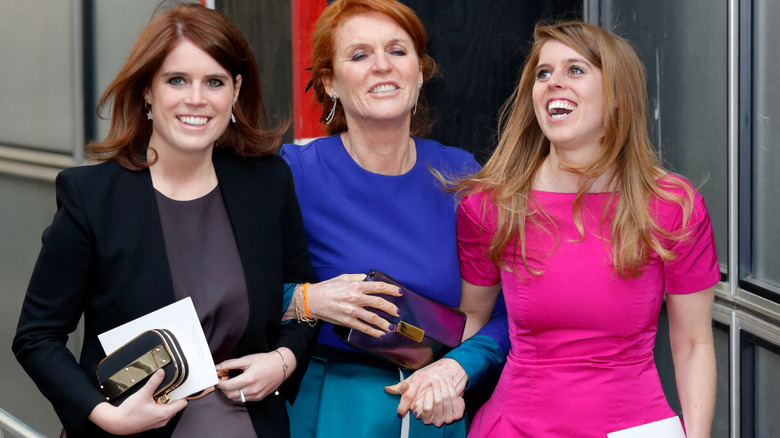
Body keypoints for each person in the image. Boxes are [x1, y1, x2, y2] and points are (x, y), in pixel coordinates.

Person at [12, 4, 317, 437]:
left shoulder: (268, 183)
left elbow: (302, 303)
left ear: (235, 90)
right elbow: (37, 338)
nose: (196, 99)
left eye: (214, 81)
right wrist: (106, 415)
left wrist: (283, 361)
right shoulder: (93, 197)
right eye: (177, 80)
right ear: (148, 91)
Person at [454, 21, 718, 437]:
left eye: (575, 70)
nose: (553, 82)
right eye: (544, 73)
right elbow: (472, 320)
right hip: (514, 427)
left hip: (635, 425)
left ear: (616, 96)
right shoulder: (491, 205)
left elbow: (693, 344)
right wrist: (450, 379)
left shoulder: (673, 207)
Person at [278, 0, 509, 436]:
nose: (382, 66)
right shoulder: (293, 173)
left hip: (434, 407)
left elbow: (515, 310)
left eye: (398, 51)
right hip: (327, 409)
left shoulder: (463, 175)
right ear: (330, 82)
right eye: (360, 55)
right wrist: (309, 300)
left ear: (420, 71)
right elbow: (236, 294)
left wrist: (460, 367)